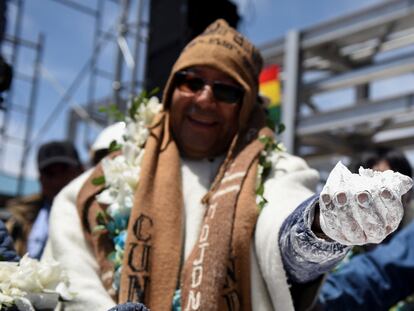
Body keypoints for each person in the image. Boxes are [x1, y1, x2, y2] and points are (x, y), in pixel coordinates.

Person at [43, 19, 412, 311]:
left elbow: (283, 231)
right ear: (171, 89)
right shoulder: (103, 179)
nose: (204, 99)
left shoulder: (274, 168)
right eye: (191, 81)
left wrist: (325, 226)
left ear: (247, 104)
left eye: (225, 90)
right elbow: (68, 273)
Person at [316, 147, 414, 310]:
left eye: (393, 191)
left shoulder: (404, 248)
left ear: (408, 195)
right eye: (372, 190)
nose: (382, 201)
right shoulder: (332, 251)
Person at [5, 140, 83, 259]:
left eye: (64, 171)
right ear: (40, 178)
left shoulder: (100, 217)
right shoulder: (19, 221)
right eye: (49, 173)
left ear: (81, 171)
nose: (57, 181)